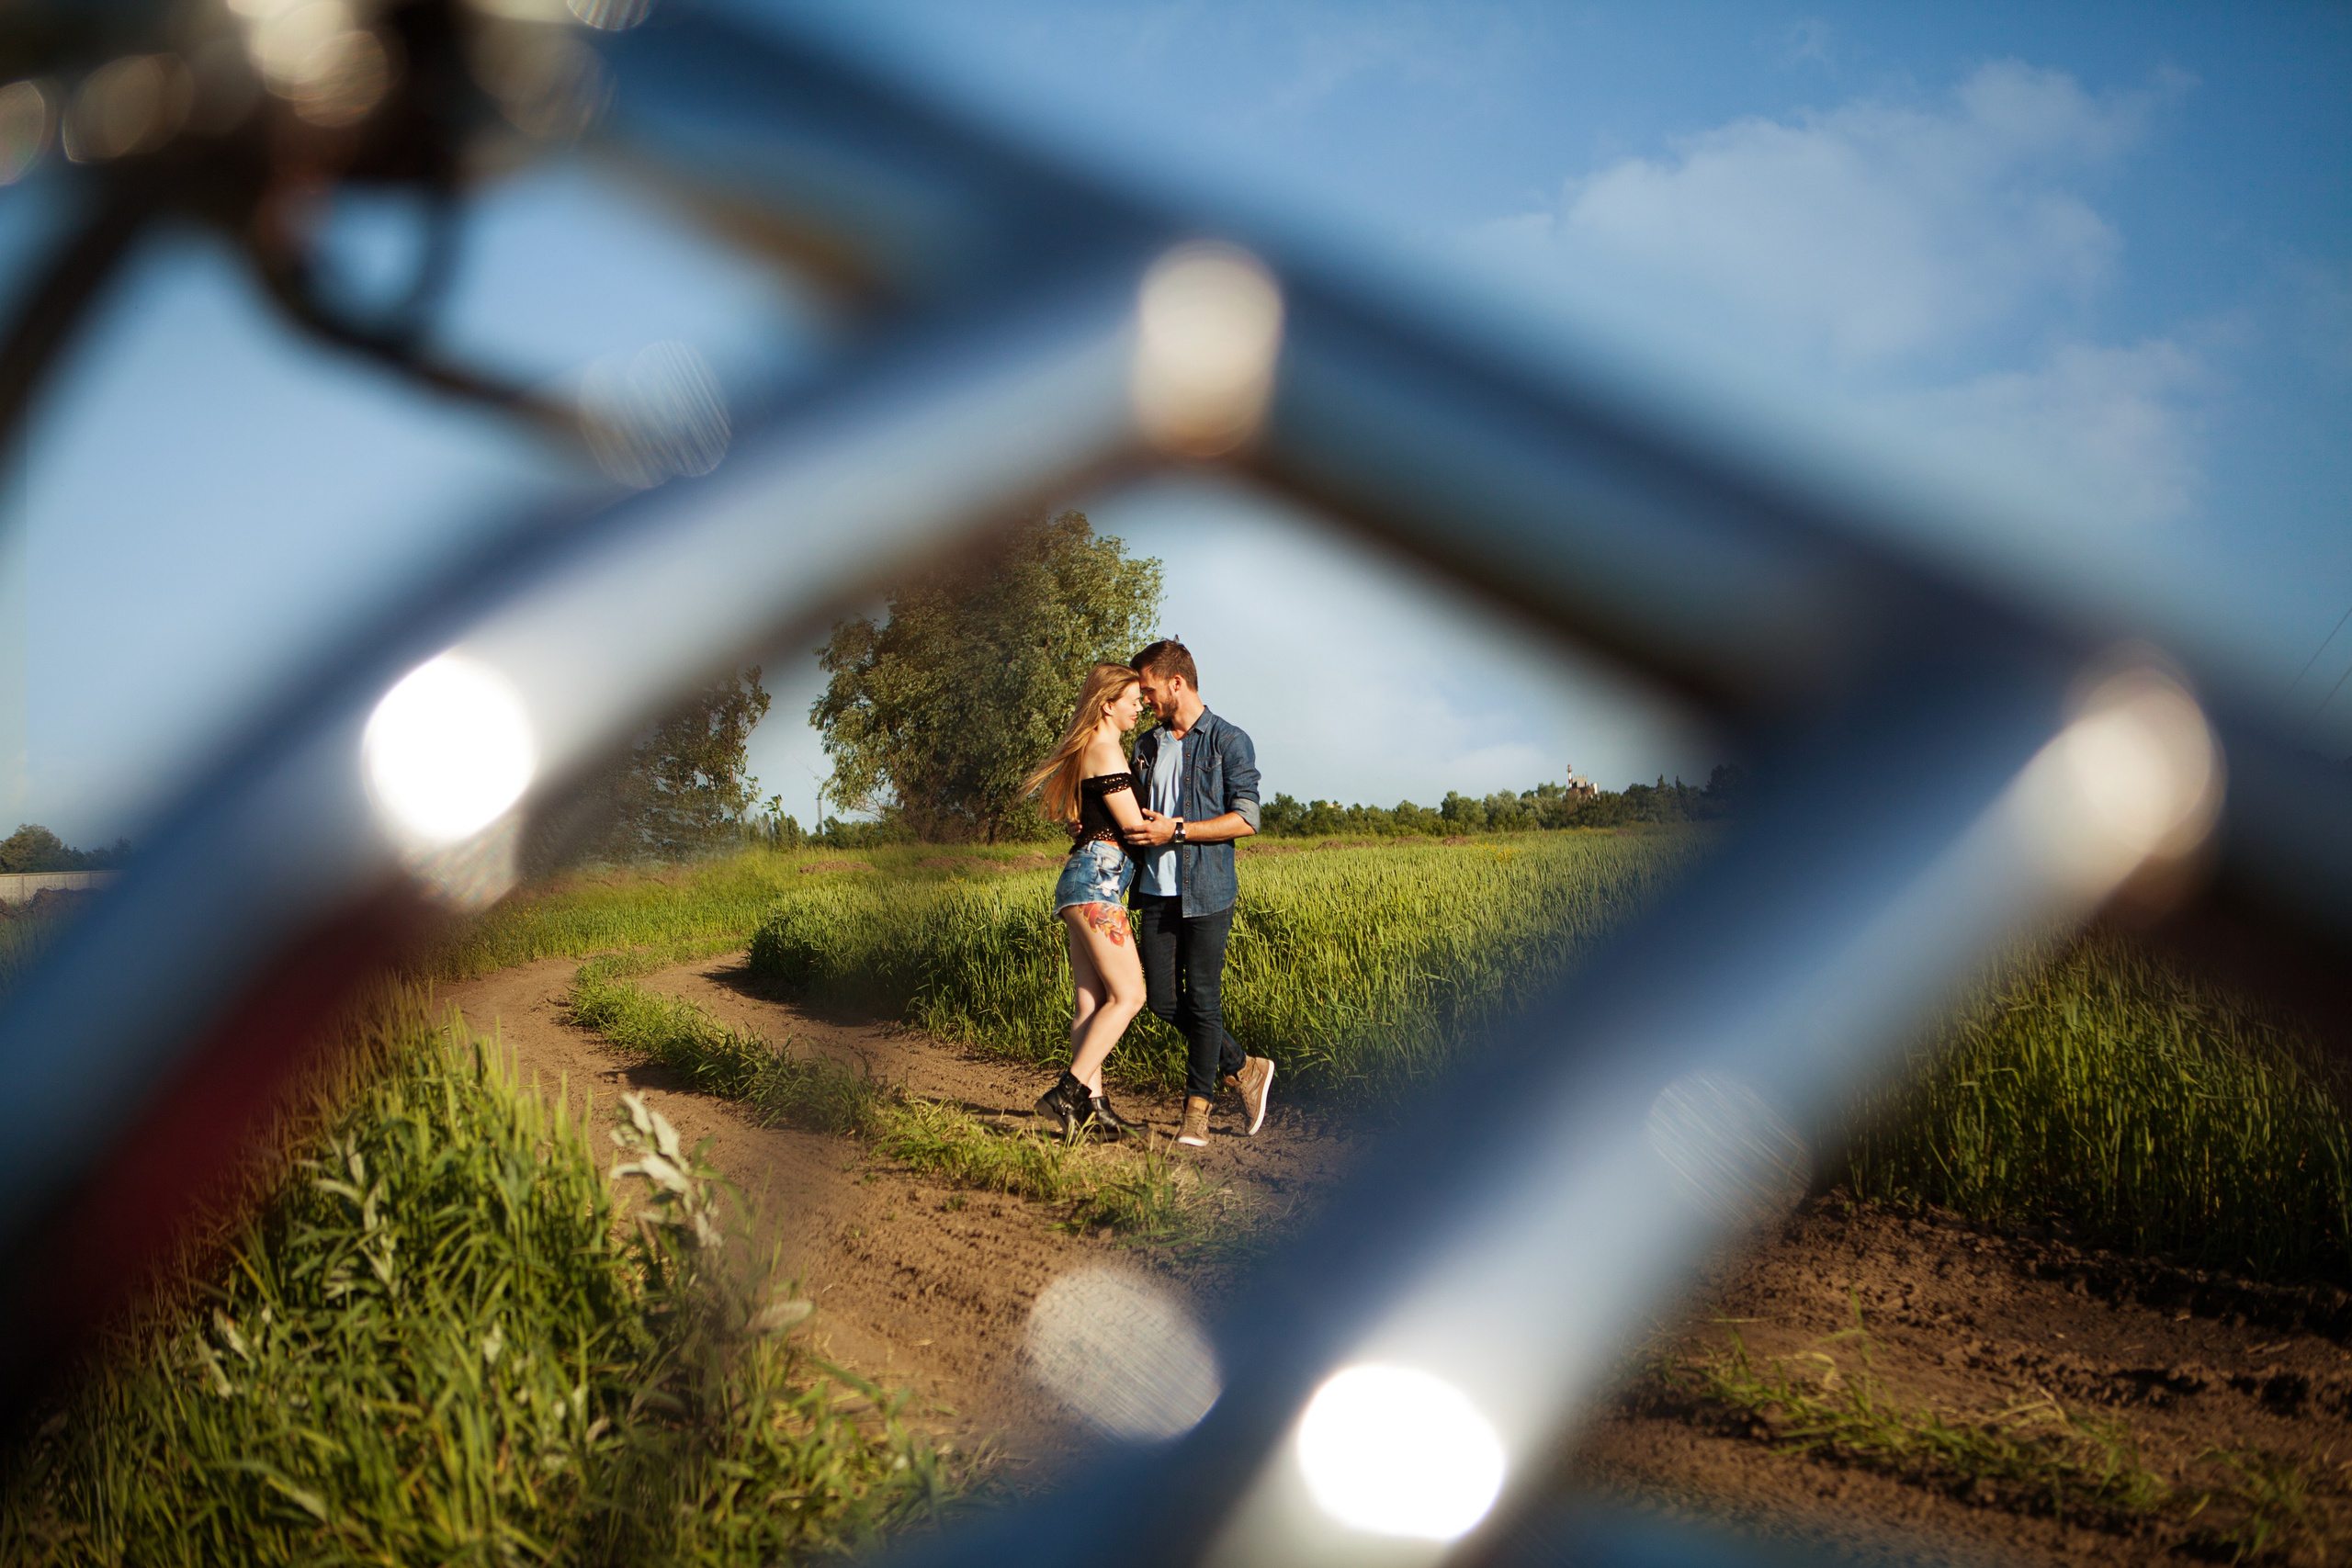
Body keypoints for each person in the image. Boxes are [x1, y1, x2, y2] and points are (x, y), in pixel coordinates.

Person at [1121, 639, 1276, 1147]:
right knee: (1162, 1001)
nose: (1144, 699)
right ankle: (1246, 1067)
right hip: (1154, 892)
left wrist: (1178, 831)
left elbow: (1247, 819)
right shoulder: (1144, 746)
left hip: (1208, 890)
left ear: (1176, 684)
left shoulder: (1229, 741)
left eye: (1148, 690)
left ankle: (1196, 1112)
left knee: (1204, 1002)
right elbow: (1133, 815)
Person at [1019, 662, 1153, 1139]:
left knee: (1091, 1005)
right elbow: (1135, 828)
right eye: (1133, 700)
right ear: (1107, 704)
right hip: (1098, 882)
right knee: (1131, 994)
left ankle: (1094, 1109)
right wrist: (1176, 829)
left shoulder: (1092, 750)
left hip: (1082, 882)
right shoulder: (1106, 748)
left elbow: (1090, 817)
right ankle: (1068, 1092)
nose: (1140, 707)